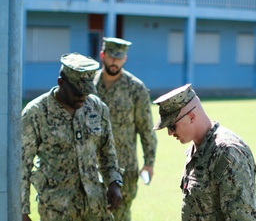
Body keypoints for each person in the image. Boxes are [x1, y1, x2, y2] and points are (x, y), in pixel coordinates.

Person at [21, 52, 124, 221]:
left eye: (87, 91)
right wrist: (22, 211)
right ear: (61, 82)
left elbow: (108, 151)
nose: (83, 97)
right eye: (77, 92)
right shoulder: (35, 113)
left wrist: (114, 182)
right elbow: (22, 167)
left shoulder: (97, 107)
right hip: (57, 210)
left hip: (95, 206)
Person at [153, 84, 256, 221]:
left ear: (191, 117)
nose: (170, 133)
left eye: (172, 126)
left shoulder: (228, 153)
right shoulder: (197, 148)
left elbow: (242, 217)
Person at [94, 37, 157, 221]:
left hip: (124, 169)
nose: (115, 62)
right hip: (91, 167)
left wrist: (149, 162)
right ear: (103, 56)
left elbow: (146, 129)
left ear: (125, 59)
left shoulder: (136, 89)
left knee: (120, 216)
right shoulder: (89, 84)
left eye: (119, 58)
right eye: (111, 57)